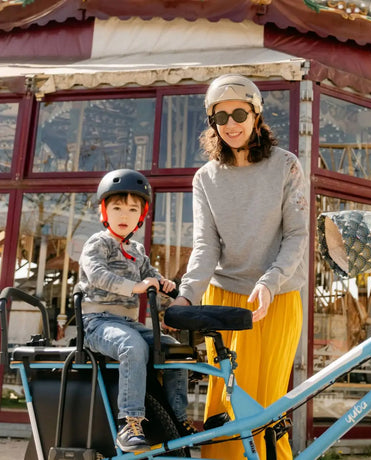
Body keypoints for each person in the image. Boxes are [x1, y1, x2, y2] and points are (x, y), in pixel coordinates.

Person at [171, 74, 308, 459]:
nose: (231, 124)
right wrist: (186, 296)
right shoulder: (205, 178)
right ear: (212, 123)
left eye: (239, 113)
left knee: (266, 405)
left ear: (256, 114)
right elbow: (206, 246)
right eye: (221, 116)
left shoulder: (287, 166)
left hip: (277, 298)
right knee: (225, 407)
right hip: (225, 301)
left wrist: (269, 281)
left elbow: (297, 236)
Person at [77, 169, 193, 453]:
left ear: (141, 215)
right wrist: (136, 287)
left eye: (132, 209)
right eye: (117, 207)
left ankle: (177, 420)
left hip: (127, 323)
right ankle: (129, 423)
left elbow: (150, 275)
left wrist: (163, 283)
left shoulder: (137, 250)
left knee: (174, 349)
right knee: (132, 347)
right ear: (104, 210)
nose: (124, 215)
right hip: (97, 322)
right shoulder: (98, 243)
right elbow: (98, 276)